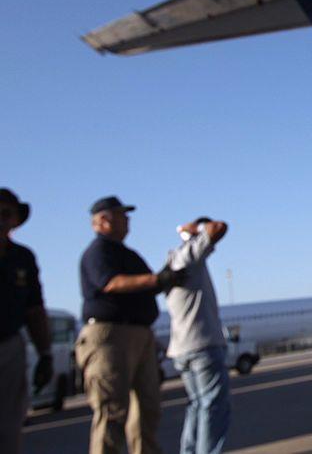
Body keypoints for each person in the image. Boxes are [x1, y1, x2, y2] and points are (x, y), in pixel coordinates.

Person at [77, 196, 185, 454]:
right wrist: (157, 279)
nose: (128, 220)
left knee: (147, 409)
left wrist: (164, 278)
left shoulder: (128, 254)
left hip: (138, 334)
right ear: (102, 221)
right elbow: (111, 283)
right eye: (121, 215)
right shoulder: (98, 252)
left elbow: (151, 282)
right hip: (110, 337)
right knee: (112, 410)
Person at [165, 217, 231, 454]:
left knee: (196, 406)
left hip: (181, 348)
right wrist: (199, 227)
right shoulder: (188, 258)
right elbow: (220, 227)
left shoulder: (171, 268)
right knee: (213, 408)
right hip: (203, 345)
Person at [0, 188, 52, 454]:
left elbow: (34, 309)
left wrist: (45, 353)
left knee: (9, 426)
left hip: (9, 344)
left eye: (7, 214)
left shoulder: (22, 258)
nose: (2, 219)